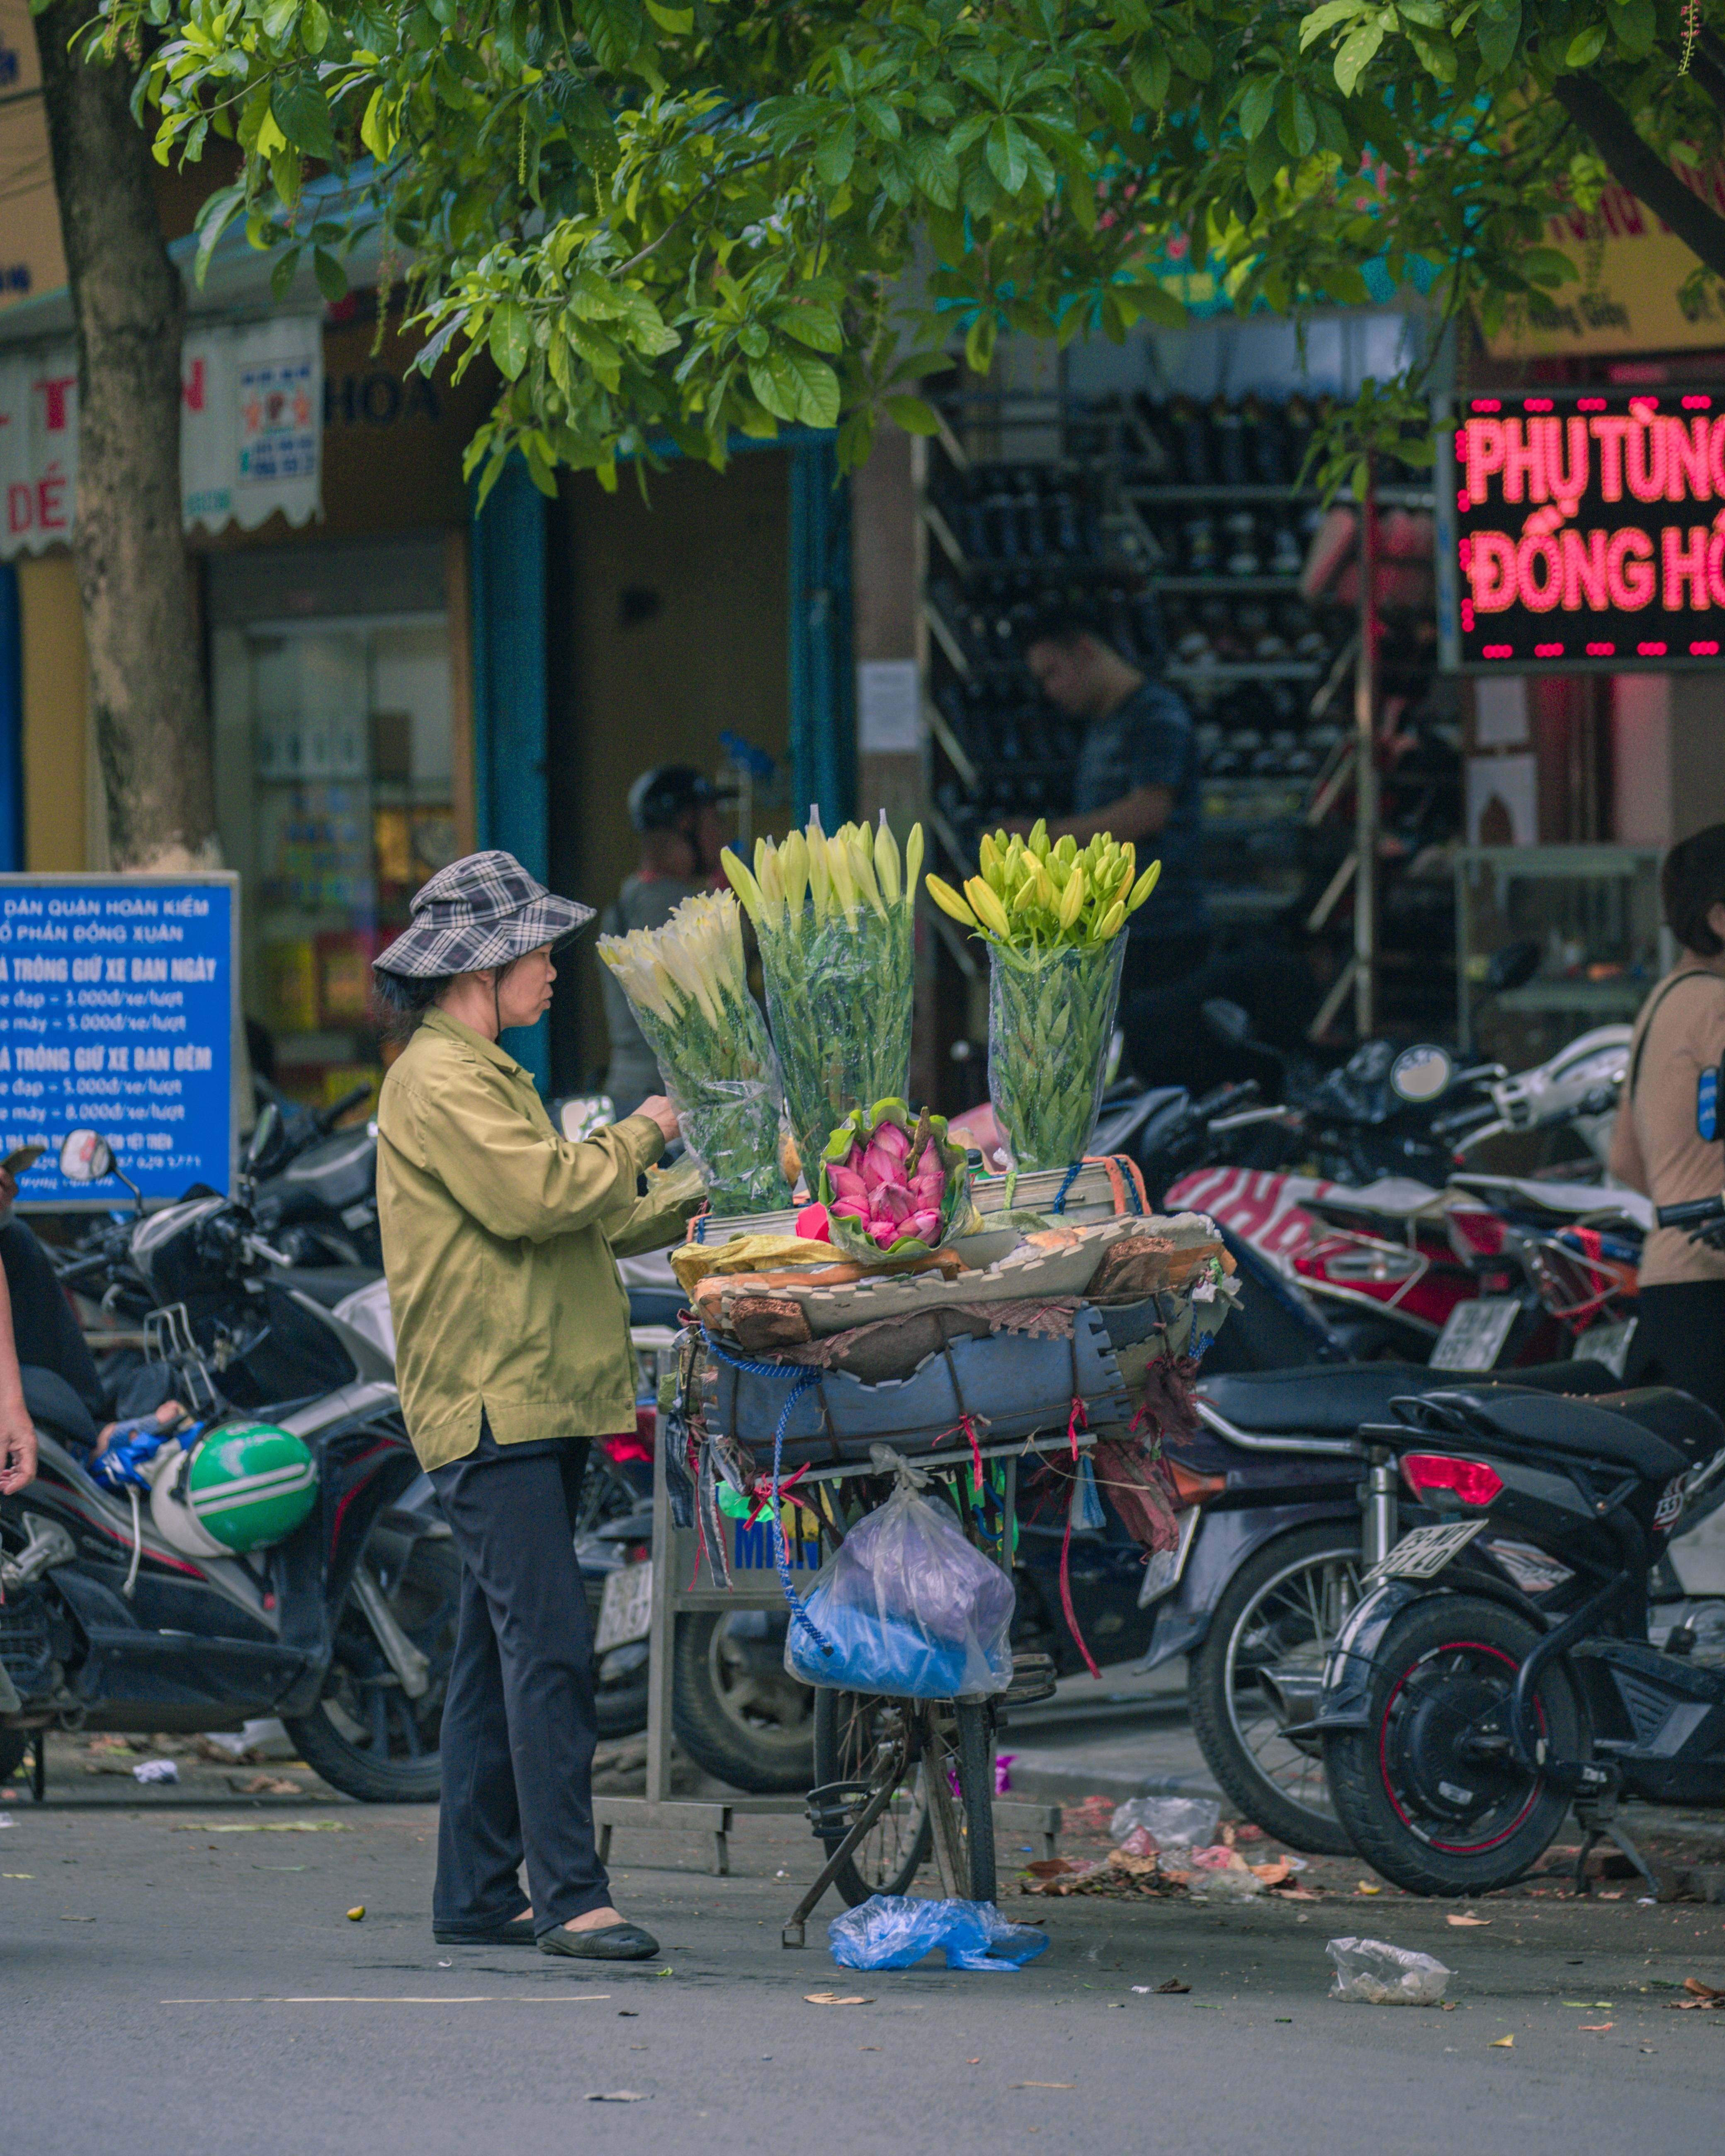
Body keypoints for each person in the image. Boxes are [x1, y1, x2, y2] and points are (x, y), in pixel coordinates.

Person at [372, 849, 700, 1964]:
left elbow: (596, 1217)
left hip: (534, 1398)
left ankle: (475, 1889)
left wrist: (724, 1180)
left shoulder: (485, 1072)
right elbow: (542, 1196)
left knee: (492, 1653)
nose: (555, 971)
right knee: (550, 1647)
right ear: (484, 966)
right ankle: (570, 1894)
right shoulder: (442, 1079)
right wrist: (651, 1126)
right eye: (542, 953)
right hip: (490, 1401)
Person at [1019, 606, 1209, 998]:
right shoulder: (1105, 721)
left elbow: (1149, 812)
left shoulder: (1157, 715)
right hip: (1118, 925)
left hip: (1162, 930)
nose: (1049, 691)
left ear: (1086, 650)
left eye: (1051, 673)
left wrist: (1047, 838)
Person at [1608, 823, 1725, 1420]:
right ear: (1721, 918)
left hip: (1667, 1286)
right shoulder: (1717, 1004)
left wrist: (1686, 1194)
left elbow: (1625, 1160)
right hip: (1714, 1288)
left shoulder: (1661, 1001)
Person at [599, 765, 725, 1115]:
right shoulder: (674, 911)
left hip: (627, 1091)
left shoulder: (631, 898)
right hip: (665, 1106)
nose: (721, 836)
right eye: (715, 822)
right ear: (687, 823)